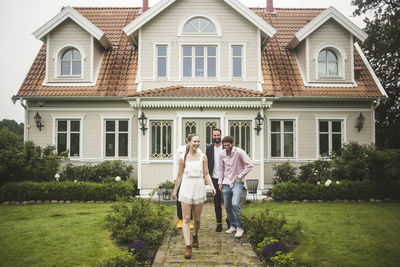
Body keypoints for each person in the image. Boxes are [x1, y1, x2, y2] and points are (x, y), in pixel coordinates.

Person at [173, 134, 216, 259]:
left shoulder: (203, 157)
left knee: (197, 219)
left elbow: (206, 174)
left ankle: (195, 235)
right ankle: (188, 246)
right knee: (186, 218)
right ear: (189, 142)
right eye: (194, 141)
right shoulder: (182, 158)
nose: (197, 143)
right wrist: (175, 191)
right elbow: (179, 176)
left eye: (198, 141)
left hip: (198, 187)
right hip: (186, 187)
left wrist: (212, 186)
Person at [218, 136, 253, 238]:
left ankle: (240, 227)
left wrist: (240, 176)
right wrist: (220, 182)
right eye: (224, 146)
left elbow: (249, 165)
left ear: (232, 144)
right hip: (226, 182)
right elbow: (221, 169)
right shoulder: (222, 154)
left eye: (228, 146)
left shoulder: (239, 152)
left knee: (235, 203)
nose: (226, 148)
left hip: (237, 181)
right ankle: (232, 225)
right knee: (227, 206)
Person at [205, 128, 225, 232]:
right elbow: (206, 163)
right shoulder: (209, 148)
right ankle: (219, 223)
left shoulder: (225, 147)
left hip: (226, 178)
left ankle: (230, 220)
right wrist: (206, 176)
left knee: (228, 201)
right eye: (215, 135)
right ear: (212, 136)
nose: (216, 137)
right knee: (216, 202)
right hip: (214, 178)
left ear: (221, 135)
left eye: (218, 135)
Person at [173, 138, 195, 230]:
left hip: (191, 177)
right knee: (180, 197)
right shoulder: (180, 149)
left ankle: (189, 220)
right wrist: (175, 178)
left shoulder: (198, 151)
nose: (194, 143)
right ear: (188, 141)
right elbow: (175, 164)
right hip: (181, 177)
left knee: (190, 199)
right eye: (192, 141)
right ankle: (181, 219)